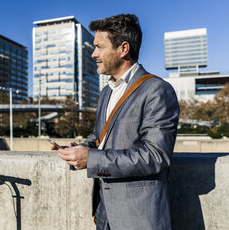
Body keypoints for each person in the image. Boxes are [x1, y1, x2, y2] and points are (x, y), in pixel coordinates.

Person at [52, 14, 179, 230]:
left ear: (123, 49)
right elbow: (99, 136)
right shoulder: (106, 92)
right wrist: (82, 148)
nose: (94, 54)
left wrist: (91, 159)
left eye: (99, 47)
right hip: (104, 214)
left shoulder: (157, 90)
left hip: (138, 218)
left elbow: (156, 156)